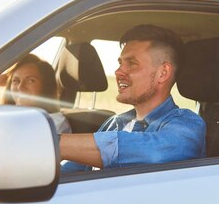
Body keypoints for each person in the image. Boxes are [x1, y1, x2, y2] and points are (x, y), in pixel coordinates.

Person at [60, 24, 206, 172]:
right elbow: (69, 172)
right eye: (120, 63)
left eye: (132, 63)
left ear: (163, 73)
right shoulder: (115, 122)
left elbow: (154, 154)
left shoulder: (188, 125)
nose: (118, 72)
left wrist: (57, 143)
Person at [0, 53, 71, 134]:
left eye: (30, 80)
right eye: (16, 81)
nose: (20, 87)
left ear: (46, 86)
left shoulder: (55, 122)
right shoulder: (10, 114)